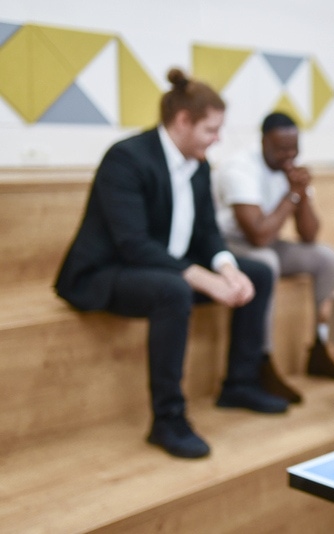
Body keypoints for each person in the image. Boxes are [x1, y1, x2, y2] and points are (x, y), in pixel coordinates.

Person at [54, 68, 289, 460]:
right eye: (211, 129)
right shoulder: (126, 158)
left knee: (258, 273)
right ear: (183, 121)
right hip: (109, 273)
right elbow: (132, 244)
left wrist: (227, 269)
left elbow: (208, 234)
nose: (218, 139)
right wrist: (201, 277)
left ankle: (240, 384)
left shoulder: (199, 166)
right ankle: (168, 418)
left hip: (165, 265)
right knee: (174, 290)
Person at [213, 112, 334, 397]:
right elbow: (257, 236)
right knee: (266, 262)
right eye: (281, 149)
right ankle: (264, 360)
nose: (289, 155)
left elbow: (309, 235)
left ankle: (321, 348)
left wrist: (302, 194)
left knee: (326, 257)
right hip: (229, 245)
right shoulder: (239, 168)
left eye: (294, 148)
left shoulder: (292, 173)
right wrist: (292, 197)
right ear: (263, 143)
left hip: (269, 240)